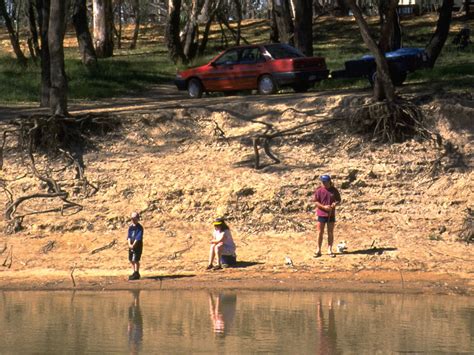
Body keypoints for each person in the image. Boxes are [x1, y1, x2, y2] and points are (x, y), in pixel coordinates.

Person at [313, 174, 341, 258]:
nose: (323, 183)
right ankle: (318, 249)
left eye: (324, 182)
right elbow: (316, 202)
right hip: (321, 214)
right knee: (319, 232)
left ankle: (330, 249)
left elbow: (338, 200)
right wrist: (323, 207)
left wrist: (334, 204)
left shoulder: (334, 190)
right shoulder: (319, 190)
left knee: (330, 232)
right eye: (322, 182)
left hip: (331, 214)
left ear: (329, 182)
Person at [127, 211, 143, 280]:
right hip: (131, 244)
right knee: (131, 259)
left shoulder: (140, 227)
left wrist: (133, 245)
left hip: (137, 245)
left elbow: (138, 237)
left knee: (136, 259)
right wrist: (129, 244)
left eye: (134, 218)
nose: (133, 220)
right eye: (132, 218)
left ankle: (137, 272)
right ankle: (134, 271)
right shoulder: (130, 227)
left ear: (137, 218)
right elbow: (129, 237)